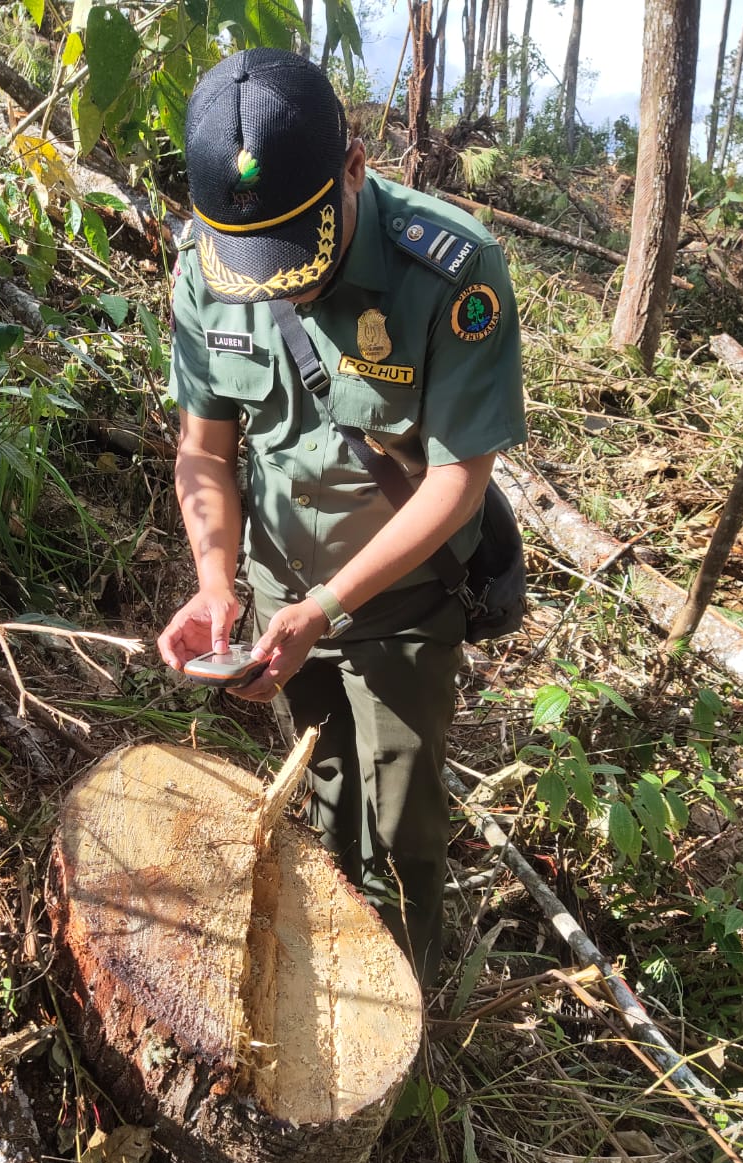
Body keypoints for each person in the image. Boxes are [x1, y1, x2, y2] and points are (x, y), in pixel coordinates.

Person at [157, 47, 526, 985]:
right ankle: (334, 994)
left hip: (401, 604)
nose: (279, 286)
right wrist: (215, 584)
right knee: (325, 789)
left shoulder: (451, 271)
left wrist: (330, 604)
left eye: (297, 255)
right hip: (281, 598)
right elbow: (206, 450)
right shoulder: (206, 271)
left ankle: (408, 1025)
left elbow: (457, 484)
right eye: (256, 266)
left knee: (403, 820)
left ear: (354, 166)